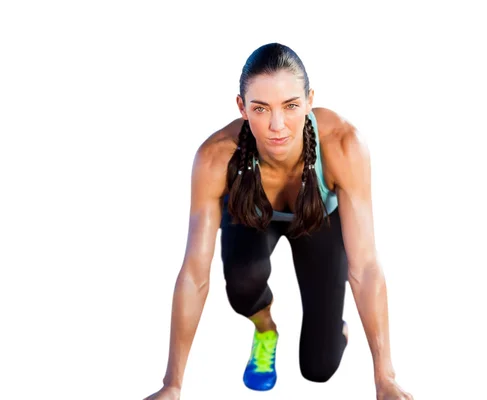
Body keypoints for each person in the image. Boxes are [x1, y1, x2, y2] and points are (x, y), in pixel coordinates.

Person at [143, 42, 414, 400]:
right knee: (242, 282)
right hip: (251, 213)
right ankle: (265, 329)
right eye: (260, 108)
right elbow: (194, 275)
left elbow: (364, 267)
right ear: (242, 107)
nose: (276, 126)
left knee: (319, 368)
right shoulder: (215, 158)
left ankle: (333, 328)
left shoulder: (344, 144)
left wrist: (385, 378)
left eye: (290, 107)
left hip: (320, 219)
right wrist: (172, 385)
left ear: (309, 100)